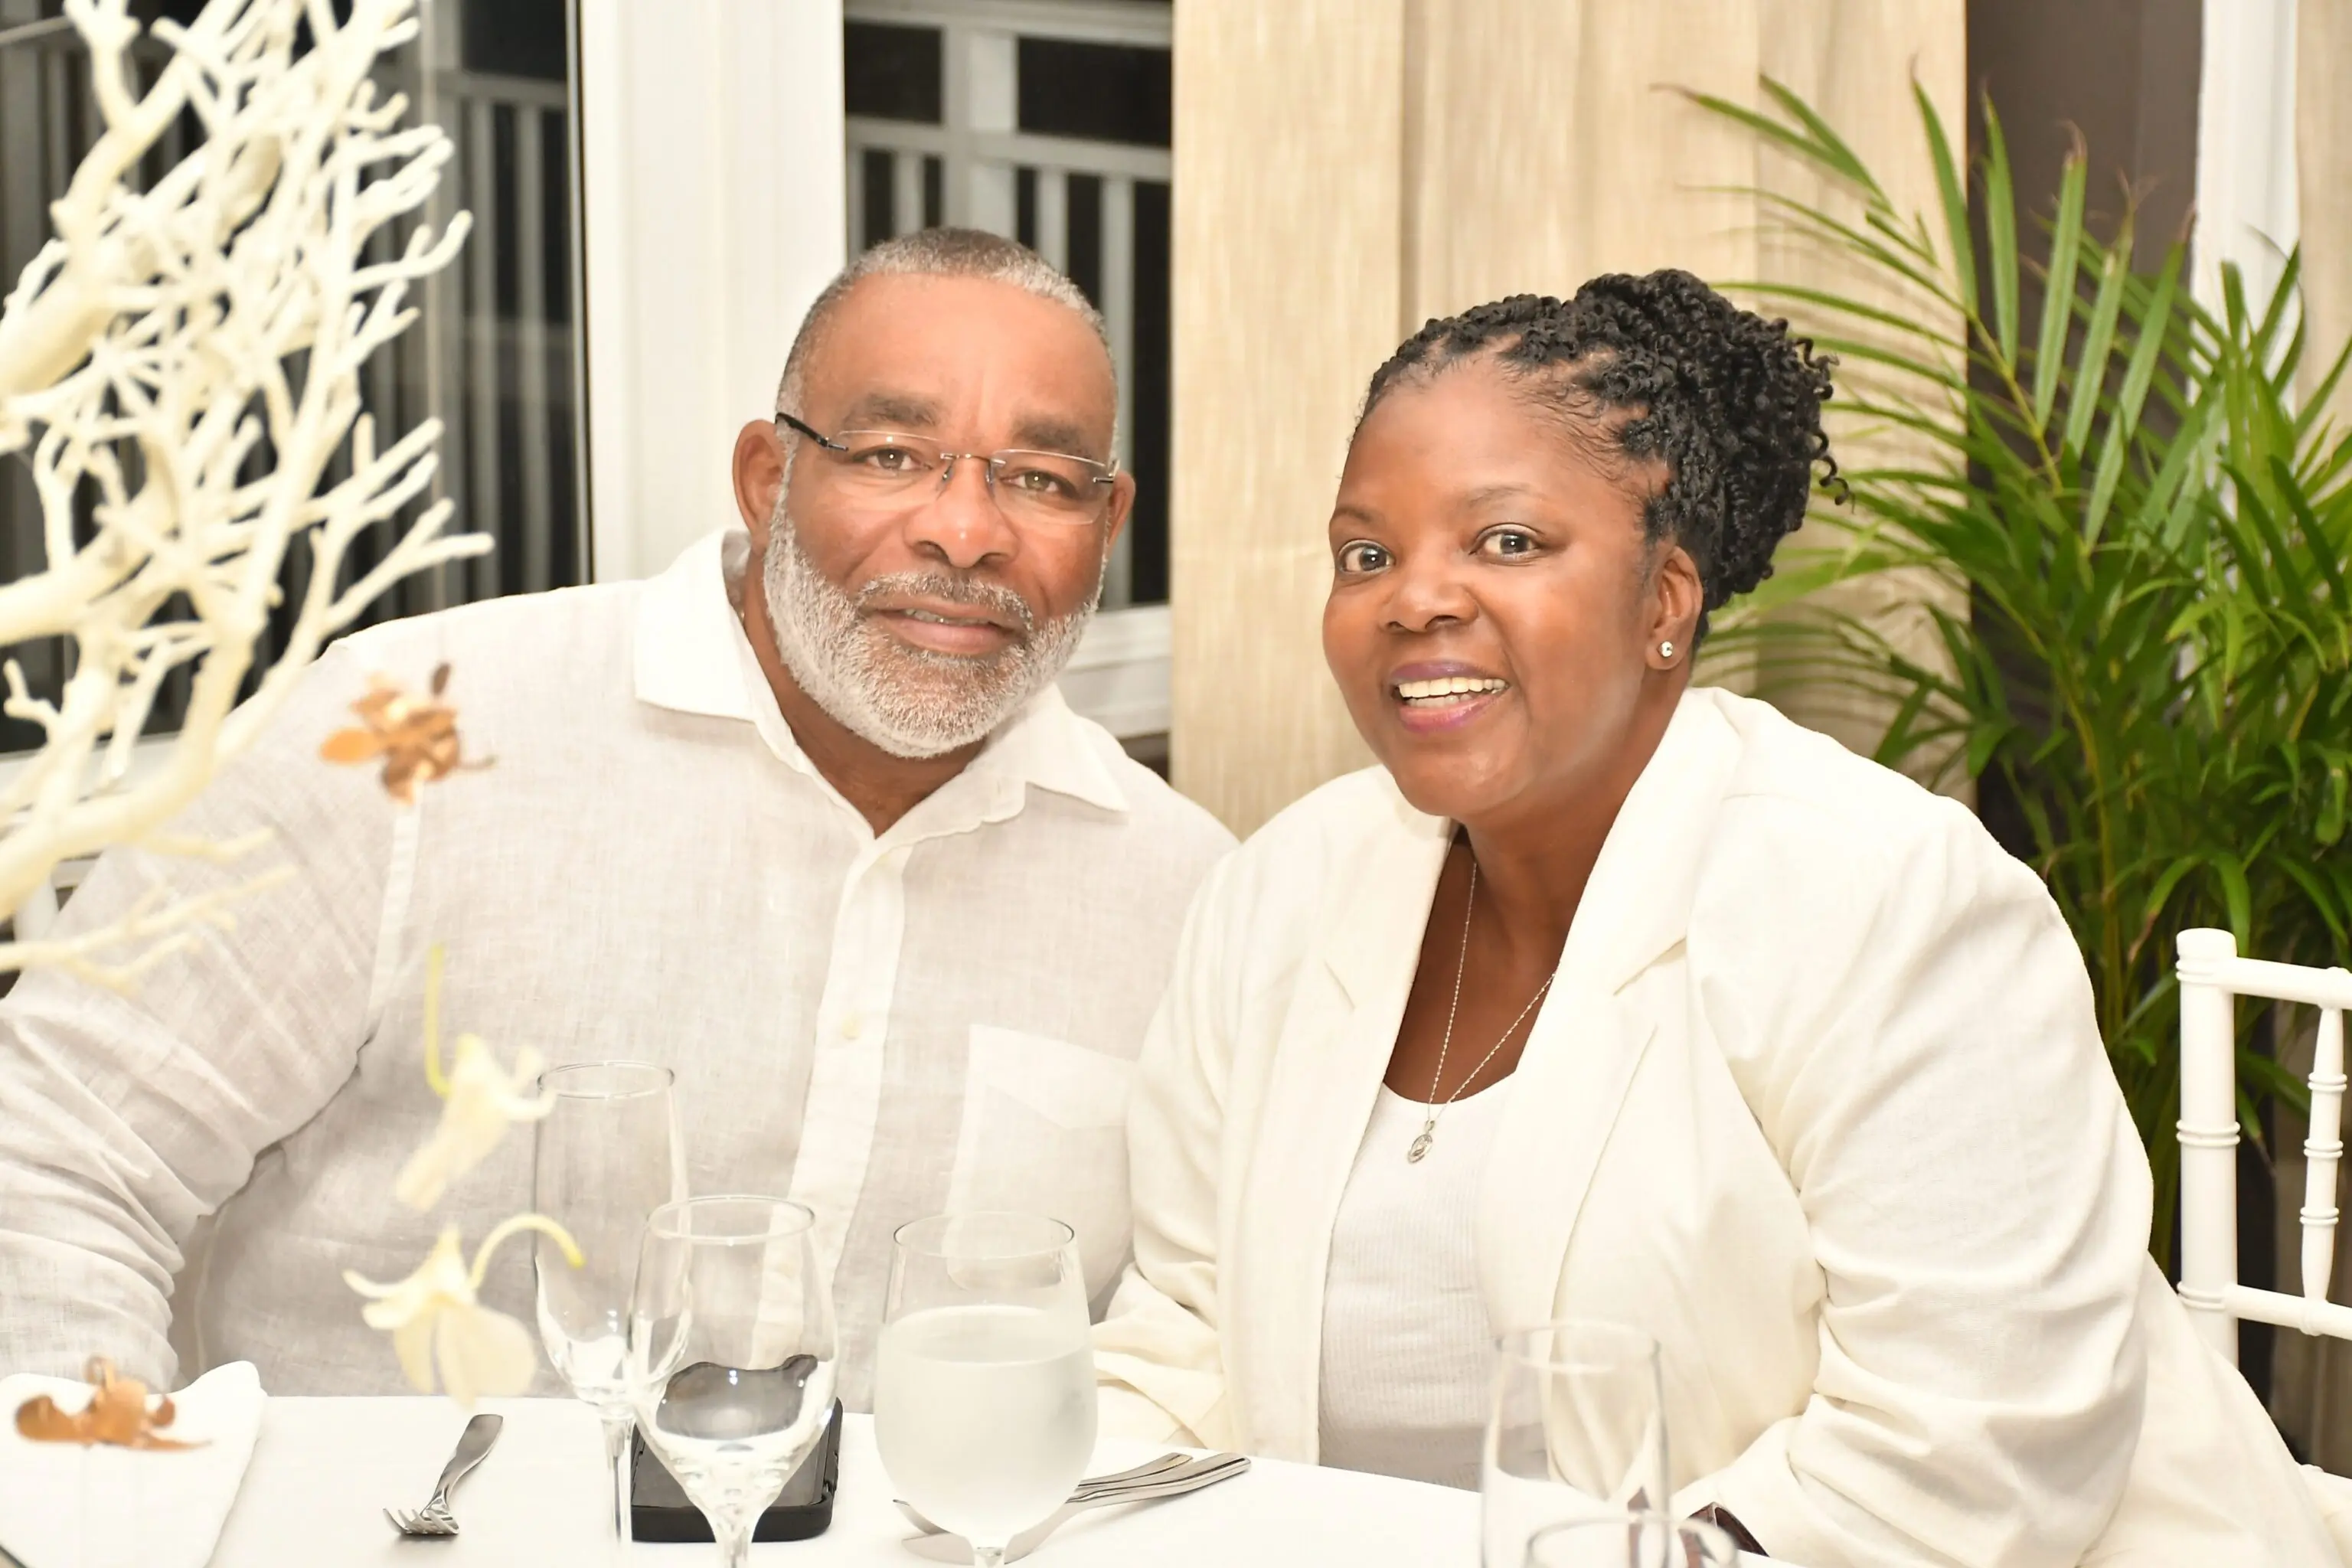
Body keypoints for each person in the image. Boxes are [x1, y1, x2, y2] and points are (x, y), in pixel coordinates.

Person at [1091, 273, 2337, 1564]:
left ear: (1666, 602)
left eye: (1506, 541)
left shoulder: (1890, 903)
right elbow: (1186, 1333)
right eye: (1368, 553)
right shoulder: (1279, 892)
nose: (1416, 599)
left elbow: (1969, 1453)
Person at [0, 228, 1233, 1407]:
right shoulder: (419, 736)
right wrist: (112, 1510)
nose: (965, 532)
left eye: (1039, 480)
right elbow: (52, 1153)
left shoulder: (1189, 901)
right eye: (891, 456)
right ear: (769, 477)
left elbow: (1184, 1348)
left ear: (1108, 524)